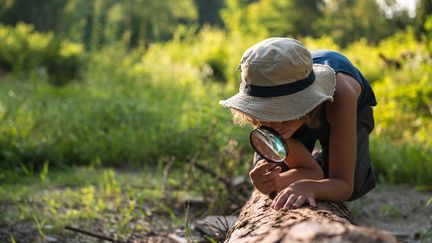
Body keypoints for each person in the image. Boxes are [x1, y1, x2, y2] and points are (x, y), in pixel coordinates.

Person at [219, 37, 376, 211]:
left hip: (342, 107)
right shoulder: (263, 79)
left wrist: (310, 187)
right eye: (266, 113)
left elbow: (344, 186)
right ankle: (317, 163)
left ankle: (325, 161)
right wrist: (269, 182)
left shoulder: (341, 95)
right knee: (278, 169)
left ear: (303, 101)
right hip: (296, 97)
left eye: (284, 113)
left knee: (354, 183)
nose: (275, 126)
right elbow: (282, 177)